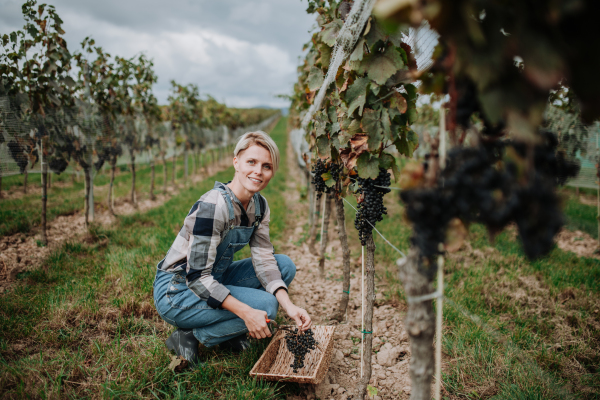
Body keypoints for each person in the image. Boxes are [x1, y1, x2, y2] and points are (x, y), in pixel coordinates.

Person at [153, 130, 312, 366]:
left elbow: (264, 259)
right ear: (236, 162)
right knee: (267, 307)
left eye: (266, 166)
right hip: (179, 291)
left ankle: (227, 331)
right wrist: (247, 312)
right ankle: (188, 336)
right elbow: (197, 278)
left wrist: (289, 306)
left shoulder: (259, 206)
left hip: (214, 276)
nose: (258, 171)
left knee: (283, 265)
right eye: (251, 162)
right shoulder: (213, 206)